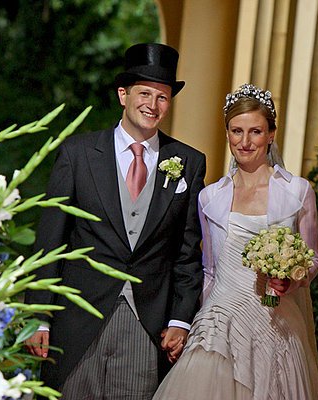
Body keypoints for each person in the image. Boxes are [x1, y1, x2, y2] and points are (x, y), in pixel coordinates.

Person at [24, 43, 206, 399]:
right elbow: (50, 241)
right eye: (144, 94)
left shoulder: (188, 161)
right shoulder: (77, 154)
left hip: (146, 324)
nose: (153, 106)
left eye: (163, 97)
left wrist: (180, 319)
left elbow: (187, 251)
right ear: (123, 95)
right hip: (77, 318)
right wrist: (38, 315)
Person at [153, 83, 318, 399]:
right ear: (227, 133)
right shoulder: (209, 198)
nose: (245, 142)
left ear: (271, 134)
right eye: (236, 131)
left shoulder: (298, 192)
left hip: (275, 323)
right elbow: (209, 272)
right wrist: (186, 324)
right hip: (219, 323)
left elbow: (313, 258)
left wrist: (293, 278)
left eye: (255, 132)